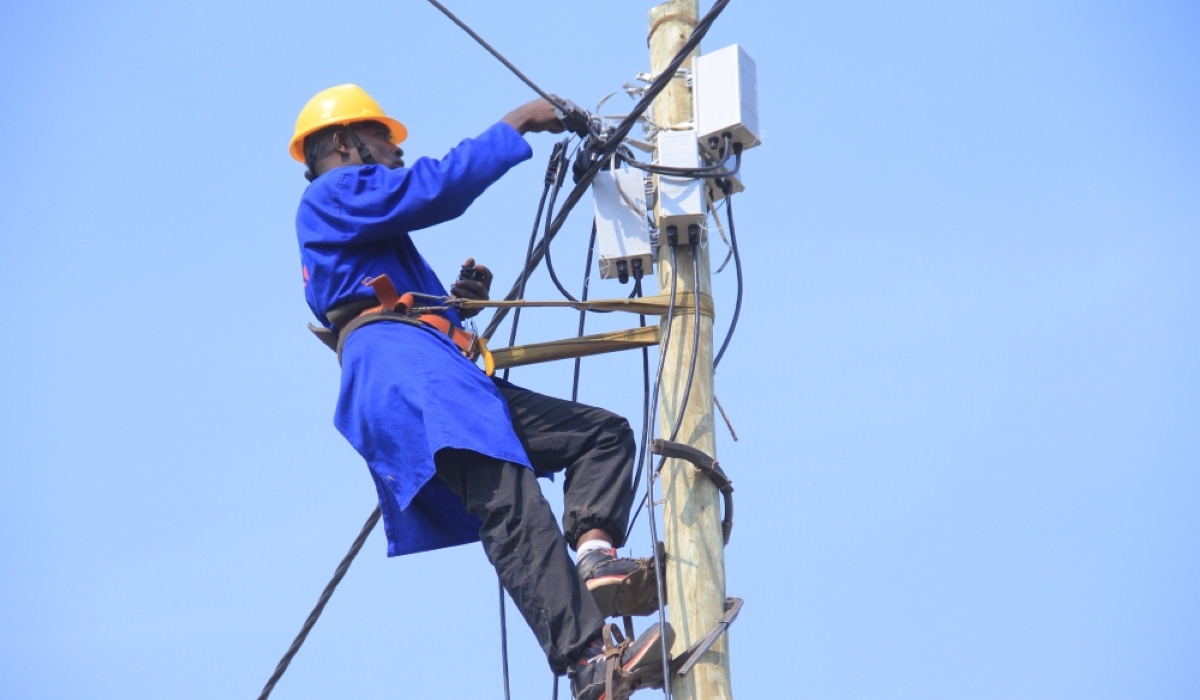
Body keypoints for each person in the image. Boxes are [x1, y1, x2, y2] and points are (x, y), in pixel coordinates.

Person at [289, 84, 671, 700]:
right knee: (507, 497)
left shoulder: (357, 224)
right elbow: (435, 188)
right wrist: (518, 121)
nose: (396, 151)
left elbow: (389, 295)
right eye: (383, 138)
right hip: (408, 374)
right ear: (343, 141)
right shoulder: (330, 193)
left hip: (437, 370)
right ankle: (590, 661)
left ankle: (595, 558)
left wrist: (453, 305)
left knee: (599, 435)